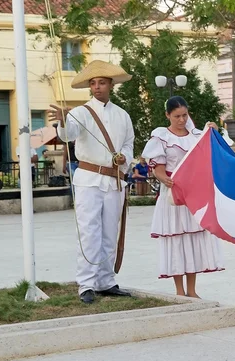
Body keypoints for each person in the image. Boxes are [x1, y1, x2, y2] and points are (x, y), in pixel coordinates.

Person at [48, 60, 135, 304]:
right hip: (88, 180)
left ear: (111, 85)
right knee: (89, 233)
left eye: (102, 83)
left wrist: (124, 158)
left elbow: (129, 143)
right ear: (90, 87)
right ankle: (86, 284)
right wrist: (63, 121)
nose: (97, 87)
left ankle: (106, 281)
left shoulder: (122, 115)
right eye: (93, 83)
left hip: (114, 180)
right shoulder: (79, 113)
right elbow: (68, 136)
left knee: (110, 232)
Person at [142, 96, 224, 298]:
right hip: (172, 196)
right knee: (176, 240)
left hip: (192, 196)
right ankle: (179, 290)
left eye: (184, 115)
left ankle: (192, 290)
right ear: (167, 115)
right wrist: (165, 179)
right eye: (177, 116)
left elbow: (210, 157)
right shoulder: (161, 137)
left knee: (193, 239)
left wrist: (214, 133)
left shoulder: (196, 136)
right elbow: (157, 169)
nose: (181, 119)